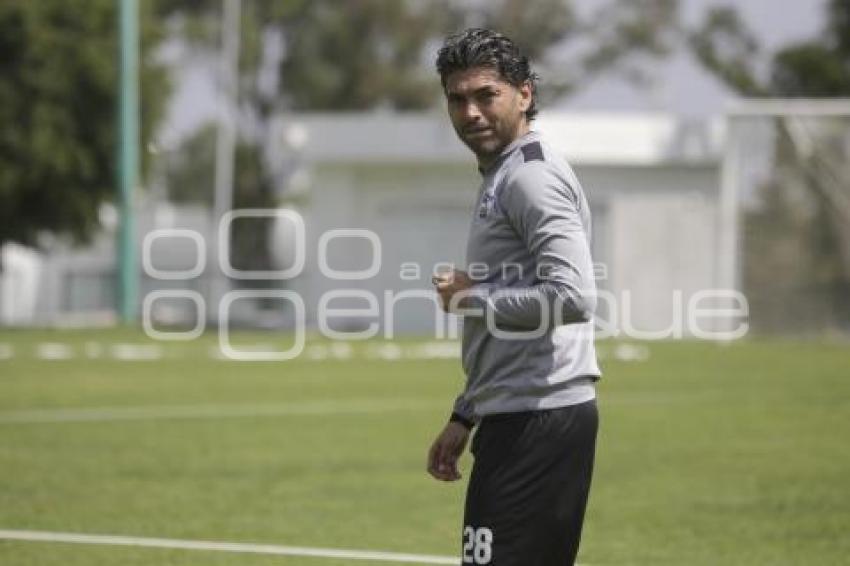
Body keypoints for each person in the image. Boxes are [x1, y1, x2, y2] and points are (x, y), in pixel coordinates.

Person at [426, 28, 601, 566]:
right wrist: (466, 413)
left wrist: (473, 297)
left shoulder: (531, 177)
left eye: (486, 95)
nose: (471, 112)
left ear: (524, 94)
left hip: (539, 421)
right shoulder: (503, 173)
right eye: (458, 99)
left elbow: (572, 296)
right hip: (519, 412)